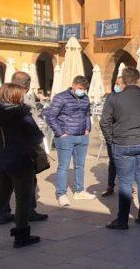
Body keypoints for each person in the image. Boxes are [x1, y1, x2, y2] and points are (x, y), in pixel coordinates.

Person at [100, 67, 140, 229]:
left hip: (122, 144)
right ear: (137, 80)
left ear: (123, 81)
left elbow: (104, 122)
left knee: (125, 182)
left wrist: (111, 140)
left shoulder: (114, 99)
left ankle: (122, 220)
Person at [0, 83, 43, 248]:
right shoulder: (21, 113)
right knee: (23, 198)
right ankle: (21, 235)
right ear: (16, 96)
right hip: (20, 161)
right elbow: (36, 137)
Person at [44, 75, 95, 206]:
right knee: (63, 167)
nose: (82, 91)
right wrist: (60, 133)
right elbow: (50, 116)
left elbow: (87, 114)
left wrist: (88, 128)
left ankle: (79, 191)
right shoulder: (60, 97)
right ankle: (61, 194)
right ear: (73, 86)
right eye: (80, 88)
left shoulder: (85, 98)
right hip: (66, 138)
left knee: (80, 165)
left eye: (84, 89)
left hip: (82, 137)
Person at [100, 76, 126, 197]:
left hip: (126, 136)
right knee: (113, 162)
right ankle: (111, 185)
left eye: (118, 84)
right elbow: (104, 120)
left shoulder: (129, 98)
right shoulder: (111, 97)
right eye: (115, 83)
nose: (116, 86)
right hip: (113, 136)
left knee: (127, 162)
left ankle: (127, 186)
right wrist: (109, 138)